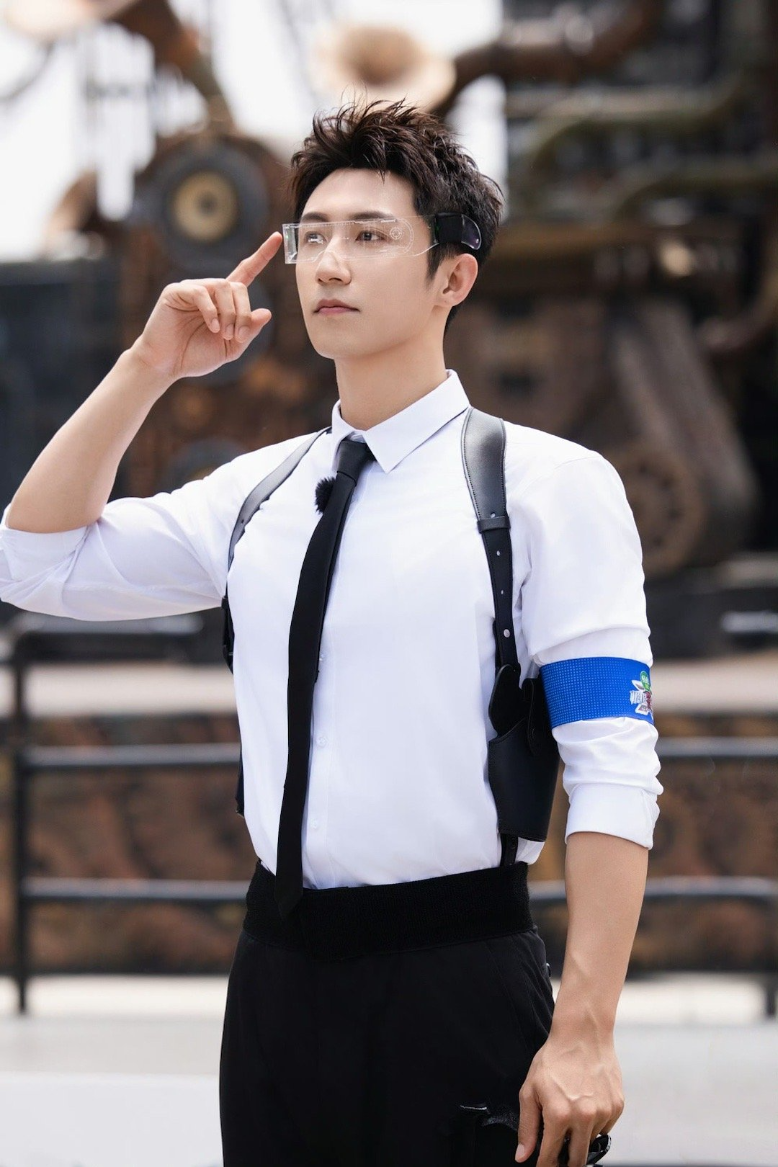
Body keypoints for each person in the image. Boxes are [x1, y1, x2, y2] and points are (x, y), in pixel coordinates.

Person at [0, 98, 663, 1167]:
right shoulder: (256, 492)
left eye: (370, 235)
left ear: (453, 277)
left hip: (458, 972)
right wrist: (149, 366)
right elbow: (34, 560)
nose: (330, 264)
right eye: (311, 236)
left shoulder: (547, 487)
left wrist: (585, 1030)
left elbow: (613, 763)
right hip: (276, 977)